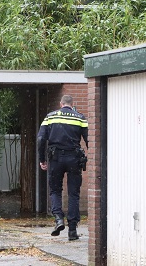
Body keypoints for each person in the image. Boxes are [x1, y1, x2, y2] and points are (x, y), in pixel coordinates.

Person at [37, 95, 88, 241]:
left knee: (55, 190)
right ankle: (72, 230)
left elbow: (41, 139)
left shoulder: (50, 117)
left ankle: (59, 218)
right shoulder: (80, 118)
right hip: (74, 158)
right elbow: (90, 139)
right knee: (73, 193)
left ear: (61, 104)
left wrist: (42, 159)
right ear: (72, 104)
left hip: (55, 158)